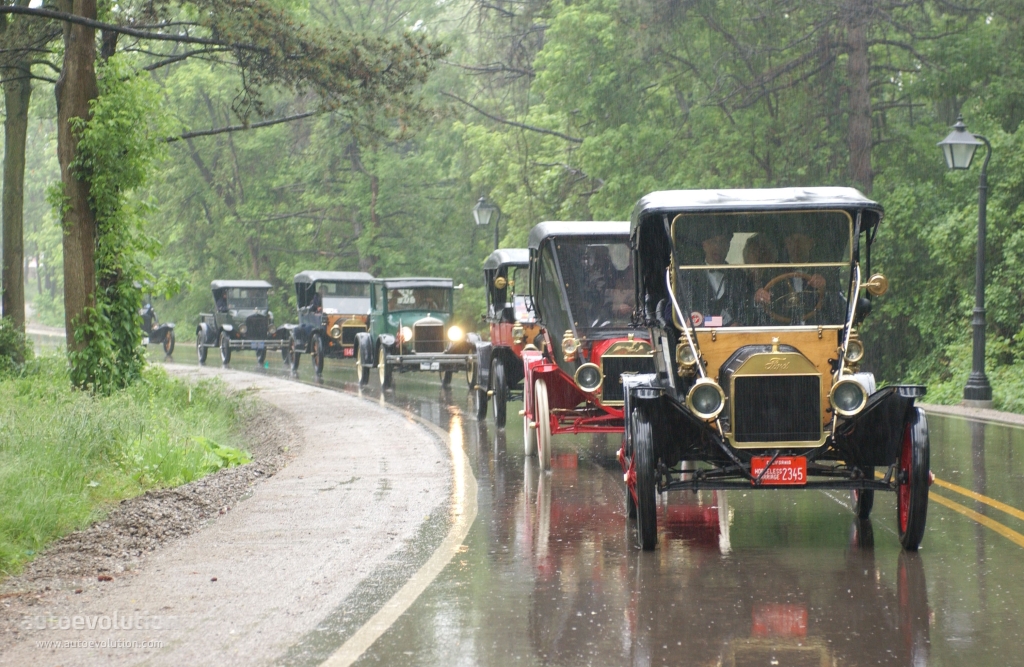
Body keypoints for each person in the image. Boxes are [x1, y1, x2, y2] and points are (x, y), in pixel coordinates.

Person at [679, 224, 753, 327]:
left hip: (733, 337)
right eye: (713, 241)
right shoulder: (689, 275)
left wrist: (739, 323)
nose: (718, 247)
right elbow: (677, 309)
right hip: (698, 337)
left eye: (723, 242)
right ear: (704, 245)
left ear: (728, 246)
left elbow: (747, 308)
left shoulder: (739, 276)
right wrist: (688, 319)